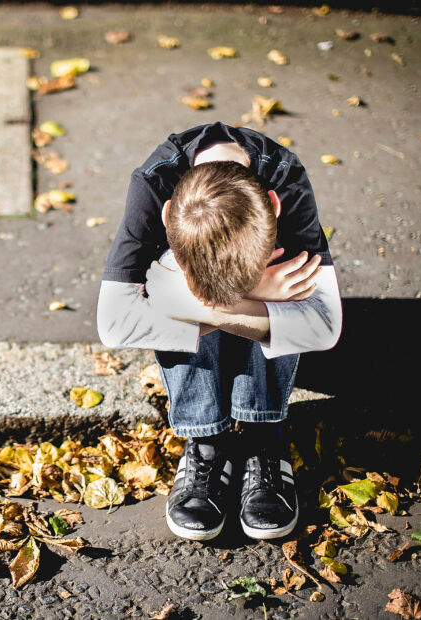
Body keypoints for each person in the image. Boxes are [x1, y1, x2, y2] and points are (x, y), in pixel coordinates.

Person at [96, 122, 342, 541]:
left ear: (273, 205)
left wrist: (186, 300)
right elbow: (113, 323)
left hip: (247, 295)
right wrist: (243, 294)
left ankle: (265, 435)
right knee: (184, 282)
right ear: (168, 212)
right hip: (226, 297)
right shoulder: (154, 184)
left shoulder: (286, 179)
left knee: (288, 285)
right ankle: (205, 438)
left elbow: (324, 325)